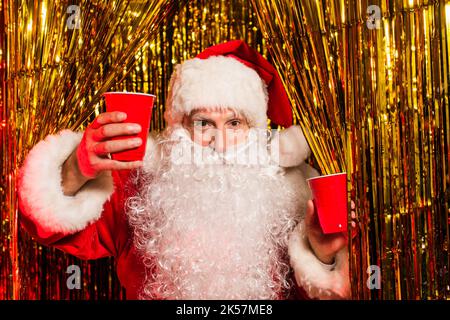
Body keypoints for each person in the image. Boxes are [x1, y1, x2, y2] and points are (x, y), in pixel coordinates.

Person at [17, 40, 351, 300]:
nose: (219, 141)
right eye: (203, 122)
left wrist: (321, 259)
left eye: (235, 122)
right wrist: (77, 167)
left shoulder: (297, 194)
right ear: (178, 127)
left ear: (258, 129)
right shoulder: (140, 187)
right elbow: (50, 228)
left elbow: (327, 292)